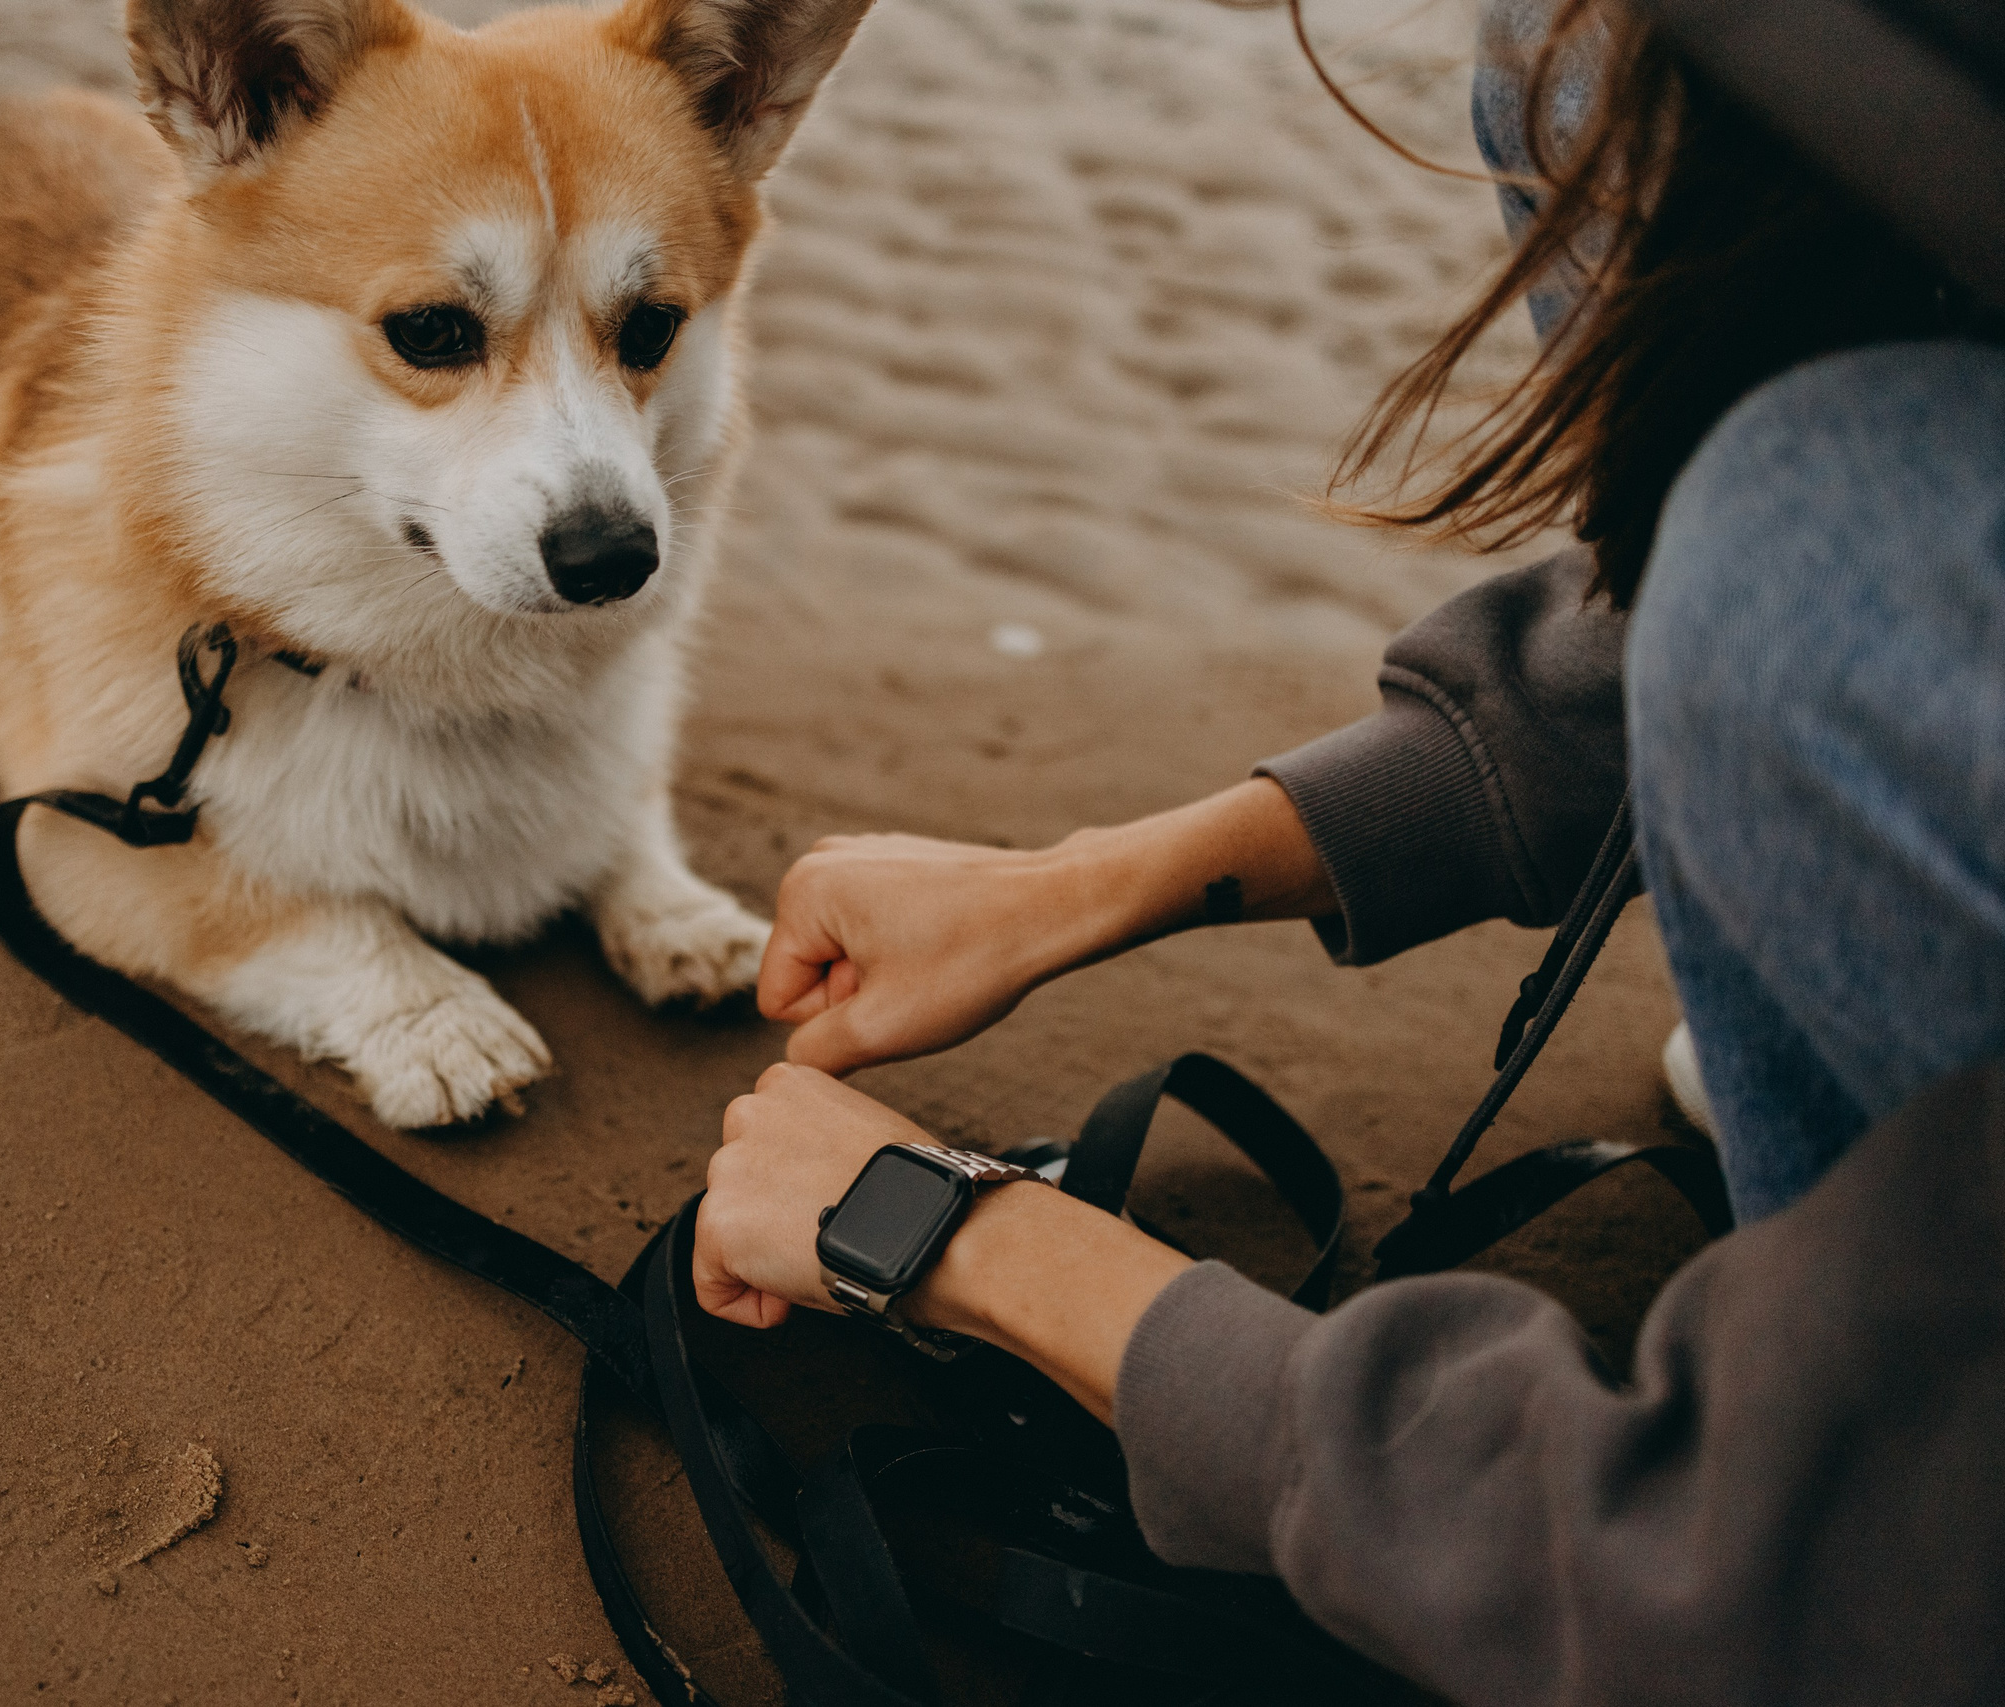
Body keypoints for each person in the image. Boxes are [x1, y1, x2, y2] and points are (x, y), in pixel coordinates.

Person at [691, 0, 2005, 1698]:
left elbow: (1721, 1582)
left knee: (1773, 484)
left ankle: (1887, 1278)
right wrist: (1083, 885)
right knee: (1580, 76)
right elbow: (1767, 617)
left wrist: (959, 1241)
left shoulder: (1810, 540)